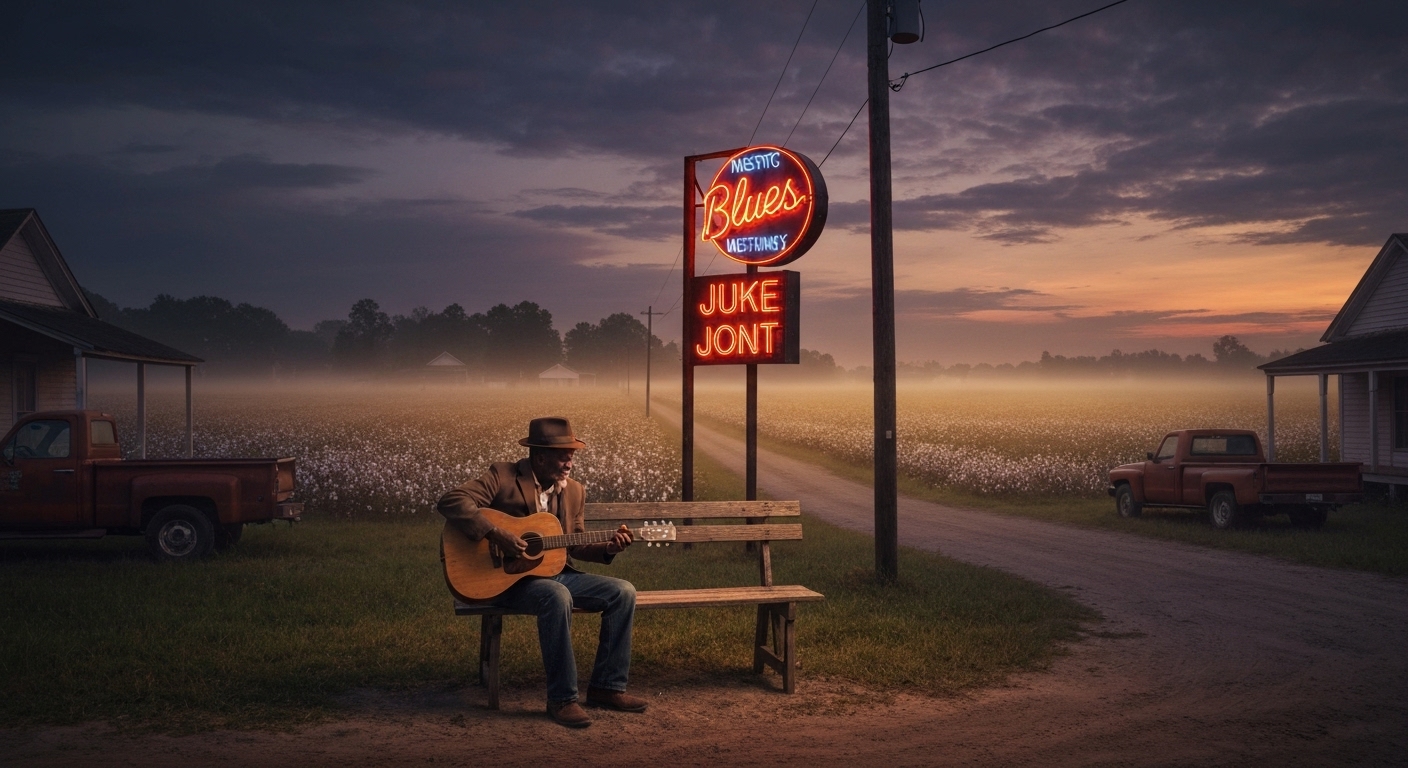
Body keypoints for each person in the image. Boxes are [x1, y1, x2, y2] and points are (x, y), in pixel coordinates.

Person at [437, 416, 647, 728]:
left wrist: (608, 548)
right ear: (539, 456)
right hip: (507, 582)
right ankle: (562, 699)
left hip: (556, 574)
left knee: (623, 592)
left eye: (572, 454)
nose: (569, 461)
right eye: (564, 454)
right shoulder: (503, 475)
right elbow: (452, 500)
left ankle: (607, 687)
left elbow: (573, 545)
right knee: (556, 594)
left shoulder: (574, 491)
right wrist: (495, 534)